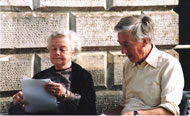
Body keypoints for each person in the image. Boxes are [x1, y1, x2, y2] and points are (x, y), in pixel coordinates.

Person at [107, 15, 184, 115]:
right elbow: (125, 105)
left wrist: (135, 114)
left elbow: (170, 112)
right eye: (120, 44)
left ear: (145, 41)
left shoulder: (169, 65)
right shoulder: (128, 64)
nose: (123, 51)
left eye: (126, 45)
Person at [8, 30, 96, 115]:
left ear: (72, 53)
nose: (57, 53)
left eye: (62, 49)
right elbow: (19, 112)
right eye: (54, 49)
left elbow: (90, 109)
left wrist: (66, 94)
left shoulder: (83, 76)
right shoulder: (40, 76)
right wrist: (17, 102)